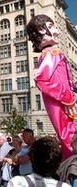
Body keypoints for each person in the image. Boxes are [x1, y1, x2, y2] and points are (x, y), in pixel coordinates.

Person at [26, 14, 77, 159]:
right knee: (68, 135)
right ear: (43, 31)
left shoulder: (50, 53)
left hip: (63, 102)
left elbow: (59, 78)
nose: (56, 30)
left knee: (67, 134)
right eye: (51, 26)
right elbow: (41, 79)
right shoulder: (51, 53)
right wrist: (68, 97)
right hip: (62, 103)